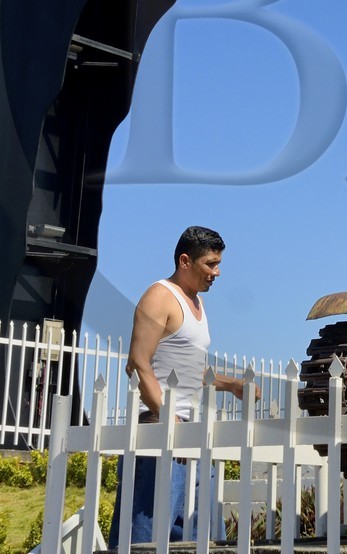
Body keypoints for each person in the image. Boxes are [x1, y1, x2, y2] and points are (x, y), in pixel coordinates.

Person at [110, 226, 258, 546]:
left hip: (191, 433)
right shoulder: (160, 296)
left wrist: (231, 384)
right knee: (145, 534)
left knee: (194, 535)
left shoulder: (197, 304)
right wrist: (165, 415)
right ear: (185, 261)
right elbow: (137, 362)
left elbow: (189, 368)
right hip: (157, 430)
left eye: (218, 264)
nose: (216, 272)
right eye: (210, 264)